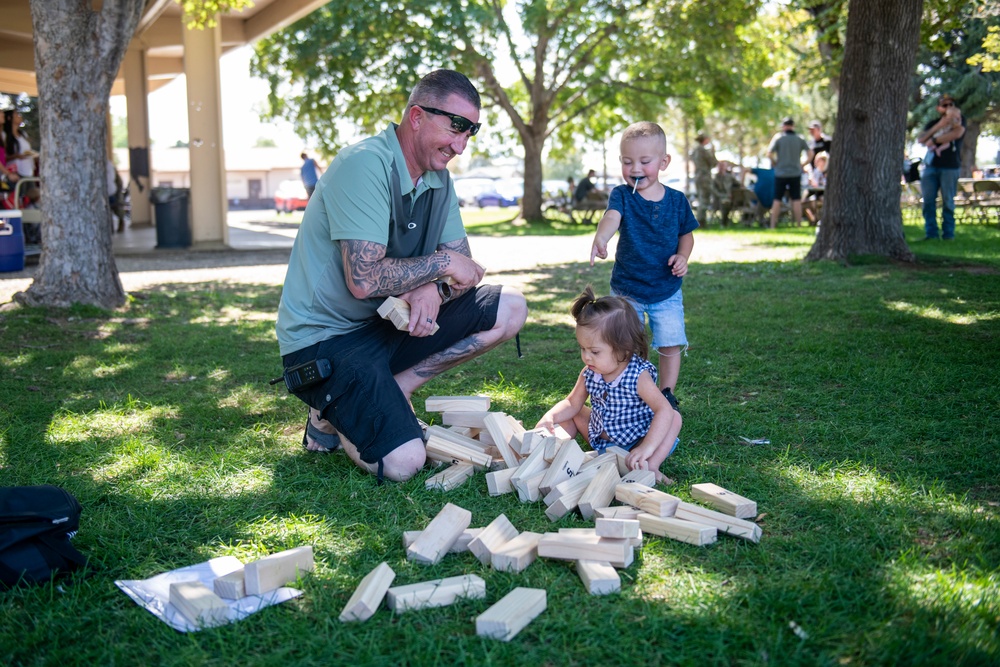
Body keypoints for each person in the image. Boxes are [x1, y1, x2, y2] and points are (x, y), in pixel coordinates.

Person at [275, 69, 528, 482]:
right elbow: (365, 279)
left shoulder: (439, 181)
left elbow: (465, 274)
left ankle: (398, 388)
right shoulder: (364, 166)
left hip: (387, 322)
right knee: (405, 463)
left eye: (472, 132)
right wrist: (439, 268)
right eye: (456, 127)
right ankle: (328, 410)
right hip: (325, 341)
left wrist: (430, 284)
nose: (461, 145)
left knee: (511, 308)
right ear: (416, 116)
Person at [590, 121, 697, 396]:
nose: (635, 169)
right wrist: (602, 238)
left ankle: (666, 394)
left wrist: (682, 256)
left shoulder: (676, 200)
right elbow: (611, 217)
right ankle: (637, 391)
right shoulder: (622, 195)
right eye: (628, 162)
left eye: (644, 161)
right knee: (629, 343)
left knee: (670, 342)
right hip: (628, 288)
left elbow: (687, 235)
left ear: (664, 162)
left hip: (666, 288)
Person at [535, 287, 683, 485]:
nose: (587, 356)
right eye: (583, 349)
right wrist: (550, 417)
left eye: (595, 351)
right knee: (574, 412)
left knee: (673, 417)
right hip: (601, 440)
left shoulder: (638, 376)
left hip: (636, 443)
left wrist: (646, 446)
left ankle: (651, 465)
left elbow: (662, 408)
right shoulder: (589, 372)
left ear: (623, 348)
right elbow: (572, 402)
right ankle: (555, 457)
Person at [916, 94, 966, 241]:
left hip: (950, 167)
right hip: (930, 166)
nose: (948, 108)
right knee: (928, 201)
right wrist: (939, 126)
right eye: (944, 105)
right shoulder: (932, 123)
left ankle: (948, 234)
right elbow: (921, 139)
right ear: (939, 108)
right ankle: (931, 234)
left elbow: (957, 133)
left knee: (948, 201)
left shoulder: (960, 121)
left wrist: (934, 140)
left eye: (951, 104)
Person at [767, 117, 813, 228]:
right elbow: (810, 153)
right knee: (796, 199)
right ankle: (798, 224)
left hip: (780, 173)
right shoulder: (799, 138)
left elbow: (769, 153)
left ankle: (772, 225)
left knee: (777, 198)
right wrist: (803, 164)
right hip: (795, 173)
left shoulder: (778, 138)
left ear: (784, 126)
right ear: (793, 126)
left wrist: (775, 163)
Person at [690, 132, 718, 225]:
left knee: (701, 197)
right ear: (705, 140)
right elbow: (713, 163)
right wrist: (713, 152)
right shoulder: (704, 151)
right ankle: (701, 221)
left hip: (698, 176)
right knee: (704, 199)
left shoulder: (694, 151)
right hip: (704, 176)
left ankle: (699, 220)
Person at [711, 160, 740, 227]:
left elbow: (738, 184)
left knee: (729, 202)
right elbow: (714, 190)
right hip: (718, 199)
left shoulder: (729, 177)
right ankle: (723, 223)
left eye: (723, 165)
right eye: (720, 166)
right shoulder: (714, 178)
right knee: (724, 202)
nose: (721, 167)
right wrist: (723, 196)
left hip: (730, 199)